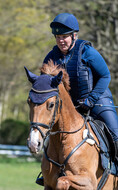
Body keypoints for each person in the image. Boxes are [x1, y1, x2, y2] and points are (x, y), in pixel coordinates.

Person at [36, 13, 118, 185]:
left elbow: (105, 76)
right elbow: (46, 86)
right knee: (53, 136)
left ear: (74, 36)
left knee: (115, 133)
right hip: (70, 107)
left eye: (64, 36)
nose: (61, 40)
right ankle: (48, 173)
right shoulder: (51, 57)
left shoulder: (87, 52)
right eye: (58, 37)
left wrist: (91, 100)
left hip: (98, 101)